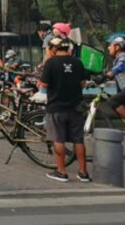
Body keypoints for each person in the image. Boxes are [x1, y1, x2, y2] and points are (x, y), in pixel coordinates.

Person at [39, 37, 89, 182]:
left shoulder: (51, 63)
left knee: (58, 139)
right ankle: (83, 172)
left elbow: (45, 84)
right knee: (78, 140)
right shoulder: (77, 62)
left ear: (54, 49)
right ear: (69, 49)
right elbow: (82, 82)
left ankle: (61, 172)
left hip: (56, 107)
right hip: (76, 106)